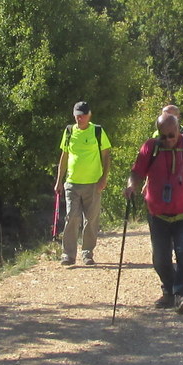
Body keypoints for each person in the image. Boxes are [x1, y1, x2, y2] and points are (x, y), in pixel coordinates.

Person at [125, 114, 183, 313]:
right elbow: (137, 171)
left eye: (171, 135)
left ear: (178, 130)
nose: (168, 140)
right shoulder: (151, 147)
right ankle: (169, 291)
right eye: (163, 136)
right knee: (160, 259)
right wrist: (131, 186)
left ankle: (181, 295)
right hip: (158, 214)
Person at [53, 101, 112, 266]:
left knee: (91, 219)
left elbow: (106, 156)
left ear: (89, 115)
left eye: (83, 115)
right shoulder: (69, 131)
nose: (80, 118)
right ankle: (68, 254)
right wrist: (59, 180)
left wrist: (103, 179)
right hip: (72, 182)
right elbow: (64, 156)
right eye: (77, 115)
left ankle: (87, 253)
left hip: (93, 183)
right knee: (71, 217)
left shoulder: (98, 131)